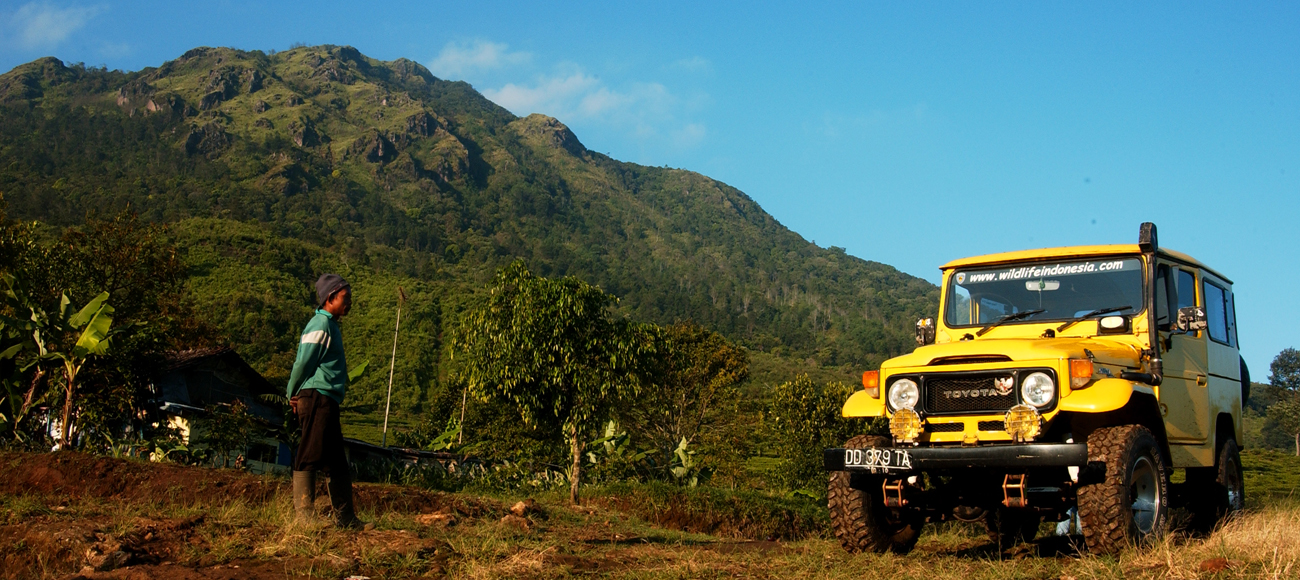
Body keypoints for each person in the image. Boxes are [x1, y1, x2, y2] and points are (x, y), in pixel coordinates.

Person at [287, 273, 364, 528]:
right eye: (346, 297)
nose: (350, 302)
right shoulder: (320, 325)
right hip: (316, 397)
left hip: (327, 399)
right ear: (330, 297)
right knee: (309, 453)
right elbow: (303, 362)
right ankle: (304, 518)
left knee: (336, 461)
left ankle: (346, 518)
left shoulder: (330, 325)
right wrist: (292, 391)